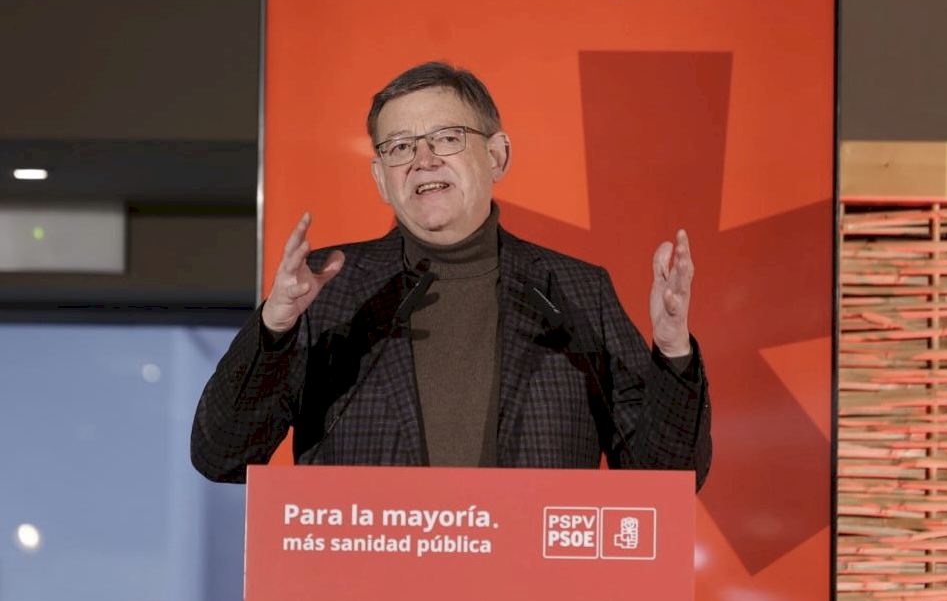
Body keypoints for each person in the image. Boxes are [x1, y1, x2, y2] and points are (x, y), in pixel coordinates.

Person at [191, 62, 711, 488]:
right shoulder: (329, 288)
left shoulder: (575, 291)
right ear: (381, 178)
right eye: (399, 147)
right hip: (371, 582)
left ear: (497, 155)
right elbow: (222, 455)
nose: (423, 160)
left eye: (446, 138)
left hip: (530, 582)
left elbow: (666, 478)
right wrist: (275, 327)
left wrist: (672, 351)